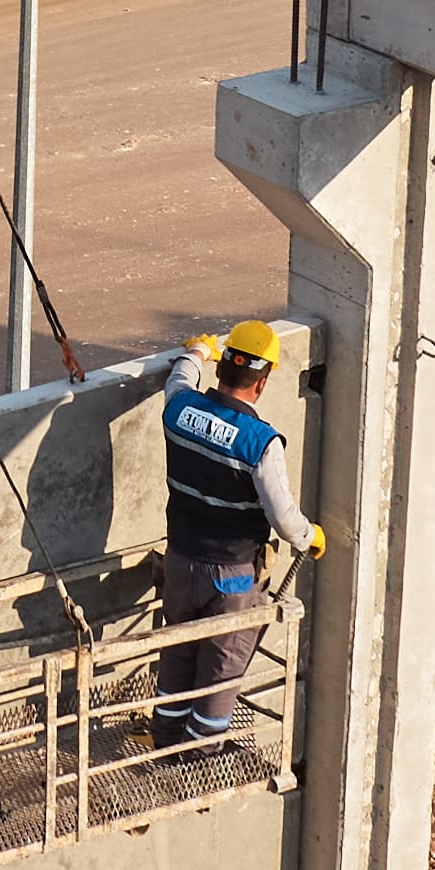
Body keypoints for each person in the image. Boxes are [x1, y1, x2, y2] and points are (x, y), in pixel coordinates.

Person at [152, 321, 321, 751]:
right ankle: (201, 753)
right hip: (231, 575)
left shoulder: (179, 410)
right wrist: (309, 536)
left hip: (181, 559)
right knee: (223, 664)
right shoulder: (260, 443)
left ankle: (166, 740)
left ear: (224, 367)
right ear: (262, 383)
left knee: (177, 649)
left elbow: (179, 378)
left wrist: (197, 352)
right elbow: (283, 519)